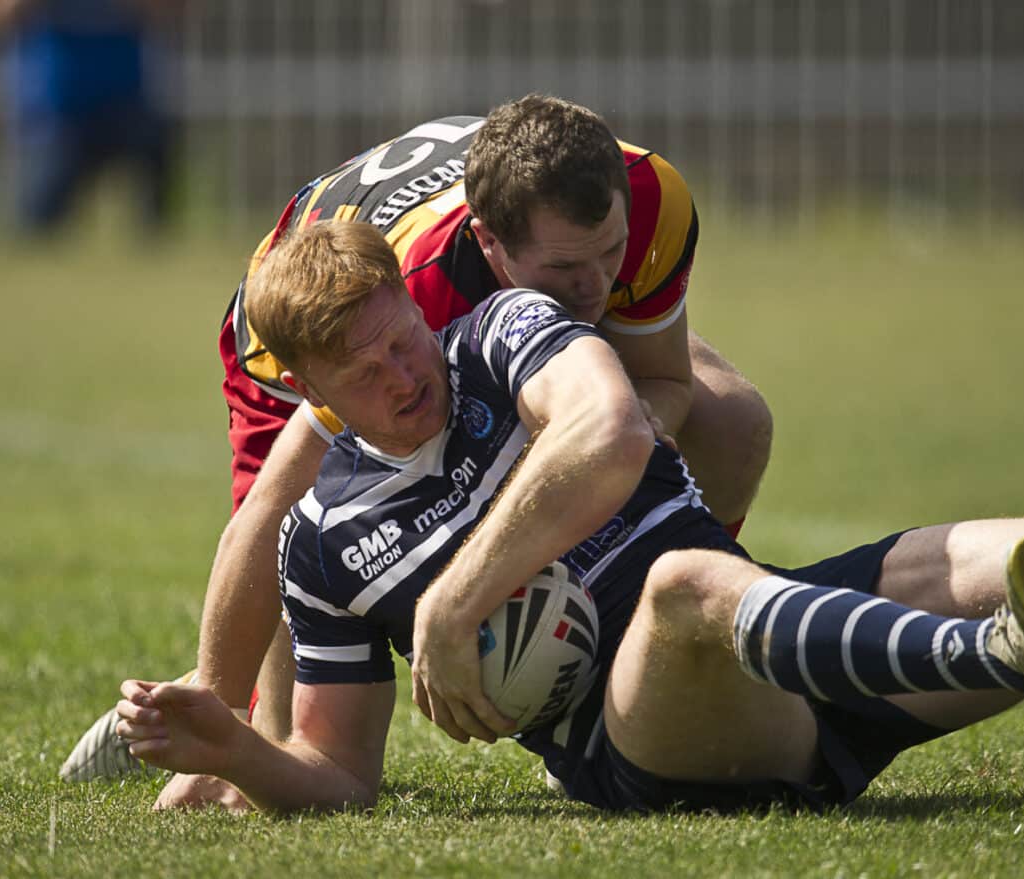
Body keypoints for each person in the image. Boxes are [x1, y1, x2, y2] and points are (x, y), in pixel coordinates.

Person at [113, 221, 1024, 815]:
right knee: (680, 588)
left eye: (401, 338)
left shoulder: (501, 333)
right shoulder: (324, 542)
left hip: (784, 640)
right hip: (651, 737)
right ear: (311, 396)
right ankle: (1002, 649)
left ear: (416, 303)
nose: (403, 376)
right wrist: (236, 752)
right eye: (362, 374)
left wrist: (454, 602)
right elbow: (340, 775)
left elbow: (612, 433)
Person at [60, 95, 774, 800]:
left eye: (611, 253)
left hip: (452, 245)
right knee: (304, 559)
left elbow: (660, 379)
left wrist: (620, 431)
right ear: (494, 243)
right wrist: (214, 724)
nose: (595, 285)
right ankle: (224, 720)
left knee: (735, 424)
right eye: (563, 270)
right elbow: (271, 516)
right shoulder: (404, 325)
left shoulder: (648, 199)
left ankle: (663, 664)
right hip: (306, 308)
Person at [0, 0, 180, 233]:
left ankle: (156, 234)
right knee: (29, 230)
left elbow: (175, 13)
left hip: (126, 107)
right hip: (51, 119)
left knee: (156, 139)